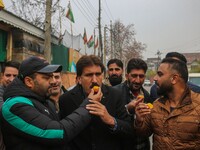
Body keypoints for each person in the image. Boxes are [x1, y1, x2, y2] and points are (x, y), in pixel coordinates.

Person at [0, 56, 102, 150]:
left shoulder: (45, 101)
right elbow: (58, 133)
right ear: (29, 81)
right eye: (47, 77)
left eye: (53, 76)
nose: (53, 81)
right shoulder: (14, 106)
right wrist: (89, 104)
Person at [59, 55, 134, 150]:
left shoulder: (115, 95)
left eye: (98, 74)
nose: (94, 80)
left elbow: (129, 129)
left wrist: (111, 120)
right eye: (89, 75)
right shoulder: (66, 99)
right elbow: (63, 135)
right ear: (79, 79)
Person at [134, 58, 200, 149]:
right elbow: (143, 133)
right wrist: (139, 120)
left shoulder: (197, 105)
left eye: (160, 74)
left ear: (174, 79)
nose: (155, 78)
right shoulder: (157, 104)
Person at [114, 58, 151, 150]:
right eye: (134, 76)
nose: (138, 80)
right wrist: (127, 109)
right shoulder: (115, 92)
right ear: (127, 76)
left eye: (141, 76)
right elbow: (110, 121)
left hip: (142, 146)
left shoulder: (147, 95)